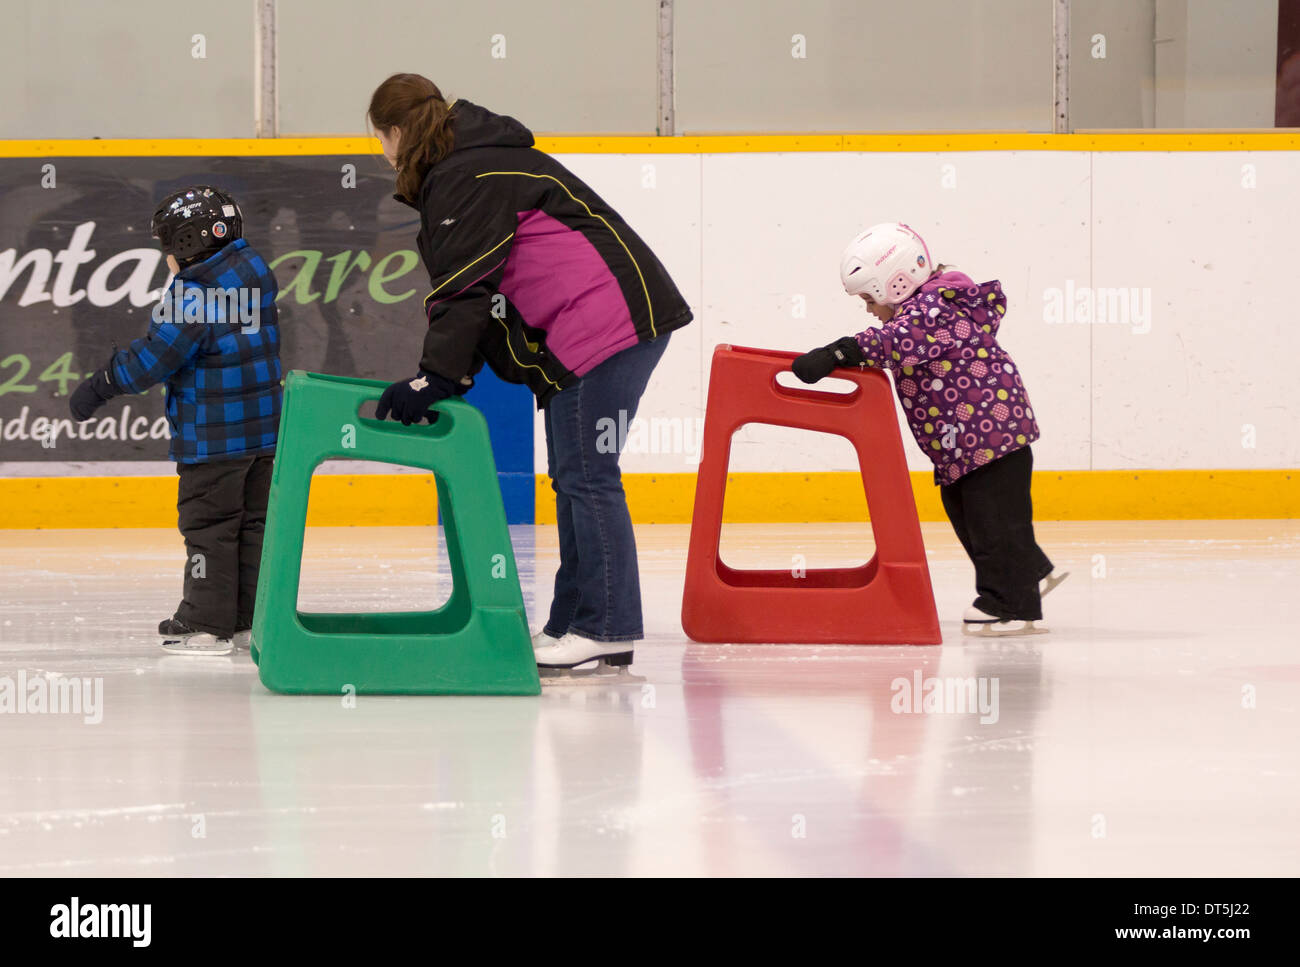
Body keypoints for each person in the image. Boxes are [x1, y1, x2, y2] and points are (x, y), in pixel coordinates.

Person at [366, 73, 692, 669]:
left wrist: (434, 376)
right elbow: (481, 289)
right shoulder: (476, 163)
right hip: (598, 324)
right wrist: (454, 374)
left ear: (392, 132)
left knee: (588, 476)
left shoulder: (466, 173)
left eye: (378, 142)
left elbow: (464, 287)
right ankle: (576, 622)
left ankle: (606, 625)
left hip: (602, 323)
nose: (383, 157)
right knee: (577, 476)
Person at [792, 223, 1065, 636]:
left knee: (990, 522)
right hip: (968, 444)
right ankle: (1029, 571)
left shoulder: (933, 309)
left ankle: (1009, 602)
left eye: (870, 298)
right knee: (971, 516)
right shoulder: (931, 307)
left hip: (990, 440)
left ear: (896, 284)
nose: (868, 309)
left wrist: (838, 352)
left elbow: (896, 341)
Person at [69, 186, 282, 654]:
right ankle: (247, 620)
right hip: (265, 436)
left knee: (209, 529)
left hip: (212, 439)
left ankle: (207, 623)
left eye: (166, 247)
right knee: (252, 525)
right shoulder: (255, 273)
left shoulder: (191, 295)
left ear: (186, 245)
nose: (165, 258)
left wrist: (101, 383)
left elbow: (152, 360)